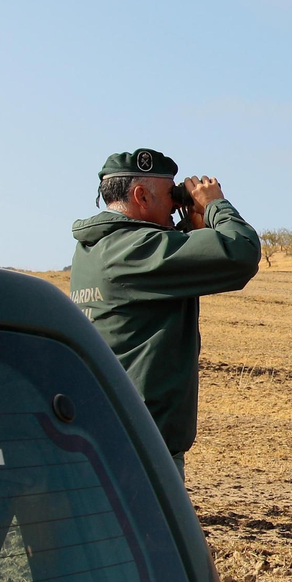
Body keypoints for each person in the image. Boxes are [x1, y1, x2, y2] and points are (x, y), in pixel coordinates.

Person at [70, 148, 261, 481]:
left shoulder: (100, 246)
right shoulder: (131, 249)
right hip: (137, 449)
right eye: (171, 194)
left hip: (114, 435)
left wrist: (191, 225)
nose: (177, 202)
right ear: (141, 196)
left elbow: (167, 259)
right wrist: (215, 204)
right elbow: (240, 251)